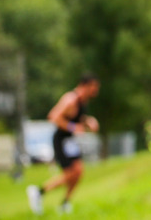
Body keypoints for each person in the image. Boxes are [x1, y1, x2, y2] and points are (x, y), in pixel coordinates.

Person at [26, 74, 100, 215]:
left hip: (69, 140)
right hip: (60, 140)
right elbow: (53, 116)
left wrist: (88, 121)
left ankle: (65, 203)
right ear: (85, 85)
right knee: (71, 173)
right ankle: (38, 192)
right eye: (94, 87)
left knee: (78, 172)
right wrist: (74, 128)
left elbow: (76, 117)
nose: (96, 91)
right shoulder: (70, 99)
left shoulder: (83, 101)